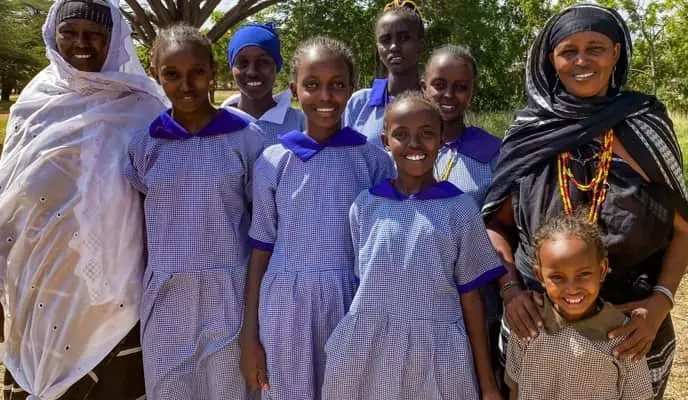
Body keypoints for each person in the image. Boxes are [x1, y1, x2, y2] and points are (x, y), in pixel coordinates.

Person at [482, 4, 688, 398]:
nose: (582, 60)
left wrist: (660, 303)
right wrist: (510, 291)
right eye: (568, 50)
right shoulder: (530, 131)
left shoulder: (645, 124)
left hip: (631, 331)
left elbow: (683, 228)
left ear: (615, 52)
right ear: (551, 59)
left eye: (595, 48)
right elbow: (496, 223)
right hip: (538, 329)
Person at [0, 0, 168, 398]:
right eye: (69, 32)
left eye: (95, 34)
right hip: (35, 288)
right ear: (52, 35)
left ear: (113, 41)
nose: (81, 43)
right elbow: (8, 195)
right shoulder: (33, 105)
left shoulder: (144, 108)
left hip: (115, 296)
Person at [322, 91, 505, 400]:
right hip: (367, 351)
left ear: (442, 137)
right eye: (401, 134)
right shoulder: (365, 205)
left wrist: (486, 383)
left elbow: (471, 299)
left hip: (438, 354)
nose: (415, 144)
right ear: (384, 140)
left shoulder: (460, 209)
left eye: (427, 133)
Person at [240, 37, 395, 400]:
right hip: (286, 306)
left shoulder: (373, 161)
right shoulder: (273, 161)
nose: (325, 95)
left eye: (337, 84)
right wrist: (249, 334)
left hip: (352, 302)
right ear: (294, 90)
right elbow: (261, 250)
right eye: (312, 85)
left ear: (351, 88)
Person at [125, 24, 263, 399]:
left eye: (196, 72)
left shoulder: (246, 137)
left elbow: (263, 219)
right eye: (172, 74)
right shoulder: (146, 144)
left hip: (229, 293)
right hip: (167, 294)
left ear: (212, 72)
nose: (185, 85)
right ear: (156, 75)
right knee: (169, 388)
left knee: (228, 389)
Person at [505, 213, 653, 400]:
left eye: (583, 274)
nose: (572, 288)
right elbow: (515, 387)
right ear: (540, 276)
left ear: (602, 270)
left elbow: (639, 395)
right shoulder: (528, 324)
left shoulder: (623, 335)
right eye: (557, 277)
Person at [422, 44, 501, 205]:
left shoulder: (493, 154)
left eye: (461, 87)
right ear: (424, 88)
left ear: (473, 93)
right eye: (439, 85)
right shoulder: (404, 148)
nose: (449, 94)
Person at [343, 0, 424, 147]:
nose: (394, 47)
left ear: (421, 44)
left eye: (404, 38)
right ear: (378, 49)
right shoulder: (359, 103)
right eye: (385, 40)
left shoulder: (434, 102)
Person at [223, 22, 305, 146]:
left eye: (263, 62)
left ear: (277, 66)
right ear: (232, 68)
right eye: (243, 63)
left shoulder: (300, 123)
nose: (252, 72)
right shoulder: (217, 124)